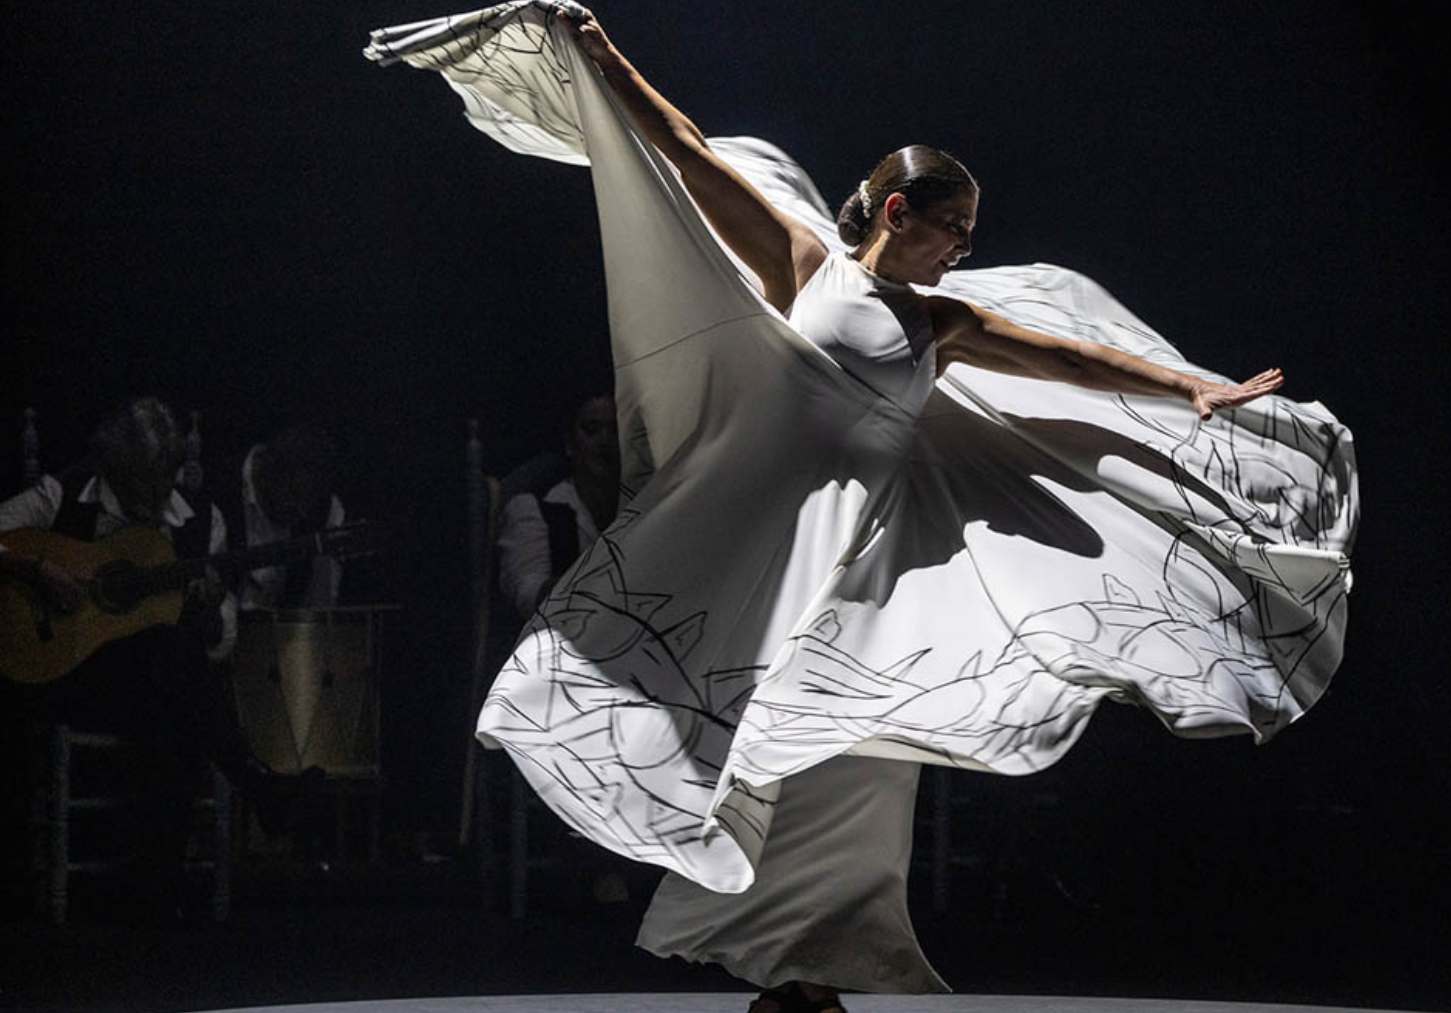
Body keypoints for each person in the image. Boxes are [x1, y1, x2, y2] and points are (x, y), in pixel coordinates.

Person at [369, 7, 1357, 1012]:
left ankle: (813, 974)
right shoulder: (805, 266)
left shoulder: (942, 321)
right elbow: (686, 152)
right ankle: (774, 951)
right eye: (952, 229)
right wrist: (599, 51)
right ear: (897, 214)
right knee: (750, 745)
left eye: (970, 235)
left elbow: (1064, 357)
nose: (963, 250)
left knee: (858, 777)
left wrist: (1180, 389)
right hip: (760, 553)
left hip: (864, 581)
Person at [0, 396, 279, 919]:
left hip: (153, 690)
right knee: (175, 681)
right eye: (139, 478)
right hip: (73, 677)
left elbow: (222, 643)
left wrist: (205, 608)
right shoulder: (64, 493)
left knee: (172, 665)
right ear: (113, 469)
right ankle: (251, 785)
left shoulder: (201, 523)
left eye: (163, 476)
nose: (154, 492)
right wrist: (39, 568)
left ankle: (148, 891)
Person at [495, 393, 620, 624]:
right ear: (570, 444)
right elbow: (527, 594)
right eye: (592, 429)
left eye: (615, 431)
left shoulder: (641, 509)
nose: (605, 441)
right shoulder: (536, 511)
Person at [236, 422, 347, 611]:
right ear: (266, 472)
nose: (301, 512)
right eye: (294, 495)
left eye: (309, 503)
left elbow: (320, 608)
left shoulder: (325, 510)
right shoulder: (216, 485)